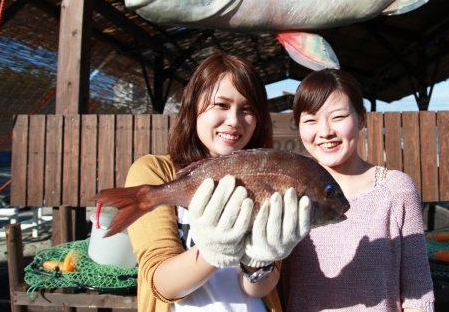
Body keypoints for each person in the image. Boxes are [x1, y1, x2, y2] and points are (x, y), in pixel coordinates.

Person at [125, 52, 310, 312]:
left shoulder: (269, 177)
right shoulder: (156, 172)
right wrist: (213, 251)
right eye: (221, 105)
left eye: (247, 109)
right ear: (192, 106)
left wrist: (260, 260)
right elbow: (162, 284)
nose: (234, 121)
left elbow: (259, 288)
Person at [279, 69, 434, 312]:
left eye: (338, 117)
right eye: (310, 120)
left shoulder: (397, 189)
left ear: (361, 118)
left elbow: (418, 294)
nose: (325, 131)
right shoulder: (286, 195)